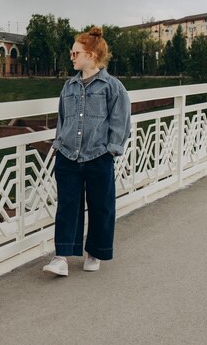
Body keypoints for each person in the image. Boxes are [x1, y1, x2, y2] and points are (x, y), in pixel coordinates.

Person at [43, 26, 131, 275]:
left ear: (91, 55)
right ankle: (61, 257)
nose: (72, 57)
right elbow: (63, 117)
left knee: (100, 206)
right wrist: (59, 144)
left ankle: (95, 252)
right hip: (68, 155)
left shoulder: (112, 87)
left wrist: (111, 150)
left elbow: (121, 121)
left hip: (98, 156)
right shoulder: (69, 87)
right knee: (67, 206)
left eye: (75, 53)